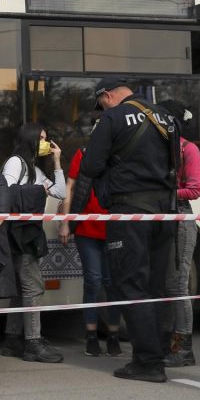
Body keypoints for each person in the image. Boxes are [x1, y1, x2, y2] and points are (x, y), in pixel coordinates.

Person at [80, 77, 179, 383]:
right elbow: (176, 160)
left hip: (130, 210)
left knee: (130, 284)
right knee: (157, 284)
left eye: (101, 103)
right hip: (165, 210)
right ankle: (161, 351)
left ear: (107, 96)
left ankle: (147, 362)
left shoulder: (112, 117)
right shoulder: (165, 116)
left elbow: (91, 165)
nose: (102, 108)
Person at [0, 124, 66, 363]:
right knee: (33, 287)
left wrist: (57, 161)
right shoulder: (16, 163)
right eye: (42, 139)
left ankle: (12, 339)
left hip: (27, 233)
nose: (46, 143)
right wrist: (35, 192)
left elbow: (60, 192)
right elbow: (5, 191)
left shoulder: (35, 169)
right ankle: (33, 343)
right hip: (17, 234)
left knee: (21, 288)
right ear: (30, 140)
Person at [59, 113, 123, 358]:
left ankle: (114, 336)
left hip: (116, 227)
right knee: (94, 281)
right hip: (86, 228)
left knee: (112, 282)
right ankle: (92, 336)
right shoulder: (83, 155)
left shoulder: (120, 156)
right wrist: (66, 222)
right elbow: (70, 186)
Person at [159, 100, 200, 367]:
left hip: (180, 217)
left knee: (177, 285)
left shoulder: (189, 150)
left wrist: (163, 194)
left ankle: (183, 348)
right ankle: (168, 344)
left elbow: (195, 189)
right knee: (166, 285)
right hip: (162, 217)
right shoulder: (161, 149)